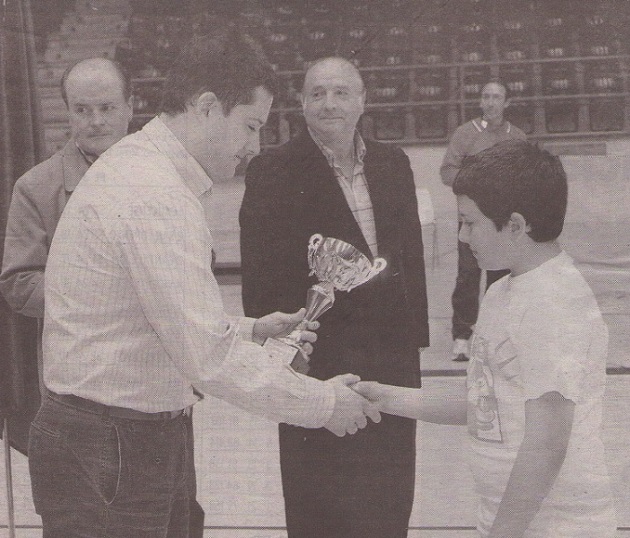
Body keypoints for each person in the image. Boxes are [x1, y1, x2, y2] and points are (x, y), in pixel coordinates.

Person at [27, 31, 379, 537]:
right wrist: (324, 405)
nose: (253, 146)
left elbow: (147, 318)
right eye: (250, 125)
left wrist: (248, 330)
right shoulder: (154, 193)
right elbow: (206, 358)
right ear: (209, 106)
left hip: (122, 436)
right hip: (113, 442)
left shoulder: (146, 172)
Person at [355, 140, 617, 537]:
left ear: (515, 224)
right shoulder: (501, 293)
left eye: (470, 222)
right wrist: (387, 397)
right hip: (505, 519)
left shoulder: (555, 302)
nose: (462, 236)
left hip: (556, 527)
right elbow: (484, 400)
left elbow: (547, 444)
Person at [0, 56, 212, 538]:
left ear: (130, 107)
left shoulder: (169, 178)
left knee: (178, 519)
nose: (95, 121)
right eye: (81, 110)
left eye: (106, 107)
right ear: (67, 114)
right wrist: (105, 291)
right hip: (92, 397)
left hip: (164, 393)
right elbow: (17, 280)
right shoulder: (36, 188)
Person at [240, 56, 429, 538]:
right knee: (319, 513)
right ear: (301, 104)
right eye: (318, 93)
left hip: (392, 365)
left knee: (389, 507)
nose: (330, 103)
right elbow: (259, 279)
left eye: (342, 92)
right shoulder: (271, 170)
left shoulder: (394, 163)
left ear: (362, 100)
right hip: (316, 367)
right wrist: (279, 360)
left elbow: (409, 260)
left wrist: (414, 347)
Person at [440, 79, 526, 361]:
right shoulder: (465, 134)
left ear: (507, 102)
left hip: (501, 219)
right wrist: (477, 181)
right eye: (485, 96)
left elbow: (527, 176)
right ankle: (462, 337)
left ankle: (495, 335)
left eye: (496, 97)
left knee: (500, 276)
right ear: (480, 101)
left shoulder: (518, 136)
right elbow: (447, 172)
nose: (490, 102)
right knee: (468, 273)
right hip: (472, 218)